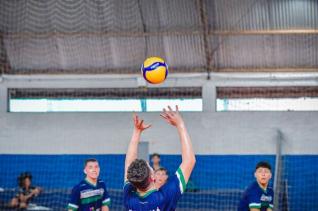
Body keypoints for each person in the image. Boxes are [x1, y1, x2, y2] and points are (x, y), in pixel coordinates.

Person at [124, 105, 196, 210]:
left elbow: (129, 162)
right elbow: (189, 160)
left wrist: (136, 132)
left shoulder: (129, 197)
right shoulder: (165, 196)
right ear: (152, 177)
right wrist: (180, 124)